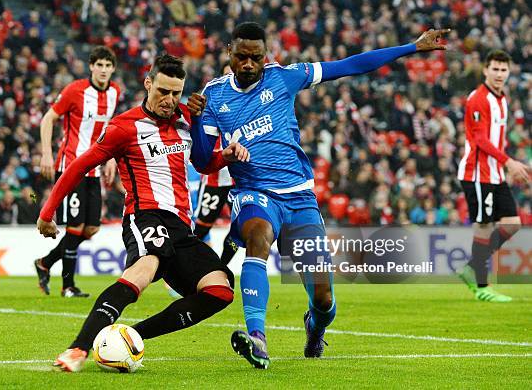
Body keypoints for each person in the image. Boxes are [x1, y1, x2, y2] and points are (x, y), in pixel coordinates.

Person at [189, 22, 449, 368]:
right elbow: (203, 162)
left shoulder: (284, 77)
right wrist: (201, 129)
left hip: (299, 197)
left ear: (265, 55)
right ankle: (257, 337)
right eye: (242, 57)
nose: (249, 64)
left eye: (256, 57)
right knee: (258, 238)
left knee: (324, 299)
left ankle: (315, 327)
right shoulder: (214, 95)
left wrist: (411, 48)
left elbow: (349, 65)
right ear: (228, 53)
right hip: (254, 191)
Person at [37, 54, 249, 372]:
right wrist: (48, 212)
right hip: (145, 215)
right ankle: (77, 349)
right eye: (163, 91)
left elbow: (204, 164)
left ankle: (134, 335)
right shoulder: (124, 127)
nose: (169, 99)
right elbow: (81, 165)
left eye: (176, 93)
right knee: (145, 268)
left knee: (220, 290)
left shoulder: (187, 122)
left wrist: (225, 157)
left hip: (181, 226)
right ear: (148, 83)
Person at [34, 46, 120, 298]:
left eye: (108, 65)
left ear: (112, 69)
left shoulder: (115, 92)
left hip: (94, 168)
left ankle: (45, 262)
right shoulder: (75, 90)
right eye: (99, 65)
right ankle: (68, 286)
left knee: (91, 228)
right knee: (76, 226)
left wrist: (112, 159)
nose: (103, 70)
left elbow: (110, 129)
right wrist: (47, 153)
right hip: (71, 165)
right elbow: (48, 119)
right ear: (91, 66)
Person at [456, 50, 530, 302]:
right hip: (477, 173)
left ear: (508, 73)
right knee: (485, 226)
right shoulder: (478, 98)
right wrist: (509, 162)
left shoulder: (502, 99)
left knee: (513, 224)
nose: (499, 74)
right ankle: (481, 285)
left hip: (495, 173)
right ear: (486, 70)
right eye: (495, 69)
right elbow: (479, 139)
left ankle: (471, 266)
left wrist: (506, 164)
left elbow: (496, 139)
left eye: (503, 70)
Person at [193, 63, 239, 267]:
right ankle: (184, 269)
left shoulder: (250, 102)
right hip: (214, 178)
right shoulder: (212, 101)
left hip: (239, 180)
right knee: (201, 228)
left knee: (239, 230)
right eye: (227, 75)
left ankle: (221, 267)